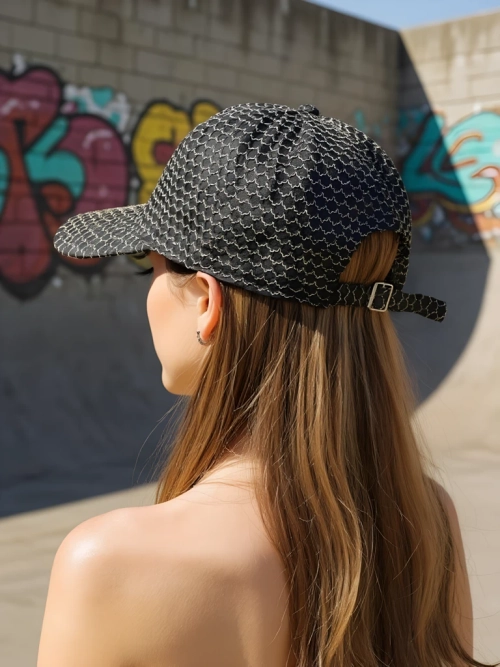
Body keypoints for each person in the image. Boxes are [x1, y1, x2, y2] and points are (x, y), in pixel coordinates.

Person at [37, 103, 495, 667]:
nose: (148, 292)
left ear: (207, 301)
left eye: (146, 266)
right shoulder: (427, 522)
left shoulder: (107, 562)